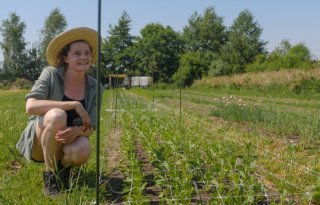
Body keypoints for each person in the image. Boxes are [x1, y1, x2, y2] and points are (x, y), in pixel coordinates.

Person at [16, 27, 103, 197]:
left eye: (87, 53)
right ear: (65, 58)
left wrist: (77, 131)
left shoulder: (95, 87)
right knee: (57, 115)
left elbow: (91, 126)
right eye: (77, 53)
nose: (84, 57)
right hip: (40, 143)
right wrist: (73, 105)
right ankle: (51, 178)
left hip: (67, 143)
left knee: (84, 147)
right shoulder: (51, 74)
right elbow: (30, 106)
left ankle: (63, 172)